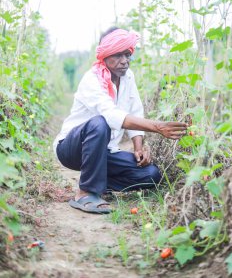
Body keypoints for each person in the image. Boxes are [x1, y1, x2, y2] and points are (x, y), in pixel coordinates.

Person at [54, 27, 187, 214]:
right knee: (100, 123)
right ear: (105, 56)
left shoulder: (127, 77)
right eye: (117, 55)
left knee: (151, 174)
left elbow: (135, 109)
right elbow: (111, 116)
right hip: (72, 149)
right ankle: (85, 193)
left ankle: (99, 183)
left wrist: (138, 148)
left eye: (127, 54)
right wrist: (157, 126)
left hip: (103, 152)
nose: (124, 61)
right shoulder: (91, 80)